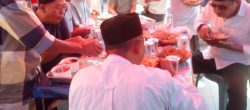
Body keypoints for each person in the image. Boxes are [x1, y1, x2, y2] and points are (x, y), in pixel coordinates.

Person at [0, 0, 100, 109]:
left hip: (26, 84)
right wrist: (80, 46)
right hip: (10, 92)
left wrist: (74, 41)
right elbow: (41, 41)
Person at [69, 13, 208, 110]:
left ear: (107, 47)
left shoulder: (79, 79)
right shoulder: (158, 79)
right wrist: (175, 76)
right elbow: (199, 106)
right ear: (137, 45)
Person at [193, 0, 250, 110]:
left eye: (222, 7)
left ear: (236, 1)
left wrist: (227, 46)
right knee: (182, 66)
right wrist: (202, 28)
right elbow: (200, 19)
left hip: (237, 62)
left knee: (238, 98)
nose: (217, 11)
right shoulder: (213, 5)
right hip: (212, 55)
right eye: (214, 5)